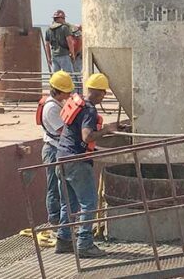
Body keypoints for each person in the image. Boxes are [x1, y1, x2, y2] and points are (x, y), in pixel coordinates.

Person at [55, 72, 118, 256]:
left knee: (69, 203)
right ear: (99, 93)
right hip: (76, 161)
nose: (103, 96)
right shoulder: (89, 110)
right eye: (103, 93)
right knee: (88, 203)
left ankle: (63, 240)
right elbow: (87, 136)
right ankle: (84, 244)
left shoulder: (77, 102)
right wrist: (106, 130)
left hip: (61, 157)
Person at [37, 71, 80, 232]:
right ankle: (55, 221)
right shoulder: (51, 108)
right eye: (67, 90)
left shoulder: (59, 102)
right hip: (53, 150)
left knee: (63, 186)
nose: (69, 93)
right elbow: (64, 131)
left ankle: (64, 220)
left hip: (58, 148)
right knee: (54, 186)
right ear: (58, 90)